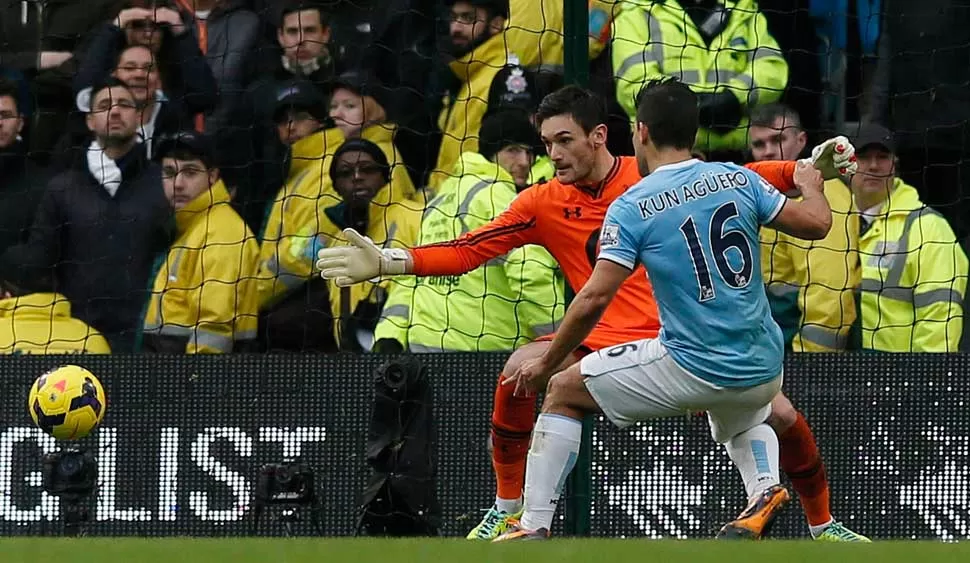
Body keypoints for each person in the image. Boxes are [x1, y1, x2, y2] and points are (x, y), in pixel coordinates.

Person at [315, 85, 862, 541]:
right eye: (545, 142)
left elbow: (758, 172)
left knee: (786, 418)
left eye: (564, 140)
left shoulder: (639, 189)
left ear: (603, 136)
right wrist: (392, 260)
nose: (552, 154)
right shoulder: (542, 201)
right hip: (612, 340)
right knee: (515, 375)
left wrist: (805, 166)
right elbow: (468, 250)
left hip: (675, 339)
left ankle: (824, 527)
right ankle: (508, 509)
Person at [492, 77, 837, 541]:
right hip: (763, 366)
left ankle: (530, 525)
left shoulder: (633, 204)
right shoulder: (738, 178)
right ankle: (764, 488)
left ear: (641, 132)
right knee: (743, 408)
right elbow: (816, 224)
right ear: (693, 134)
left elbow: (594, 298)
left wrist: (545, 362)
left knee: (562, 390)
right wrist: (810, 181)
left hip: (693, 363)